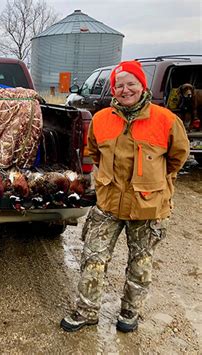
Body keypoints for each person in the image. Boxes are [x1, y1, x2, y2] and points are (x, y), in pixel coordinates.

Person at [60, 61, 189, 333]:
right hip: (108, 202)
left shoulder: (166, 120)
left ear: (142, 86)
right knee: (93, 258)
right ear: (113, 89)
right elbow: (94, 152)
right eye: (119, 85)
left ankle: (130, 312)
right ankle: (86, 311)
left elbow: (178, 157)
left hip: (148, 205)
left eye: (131, 83)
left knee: (140, 263)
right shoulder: (102, 119)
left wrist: (156, 182)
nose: (125, 89)